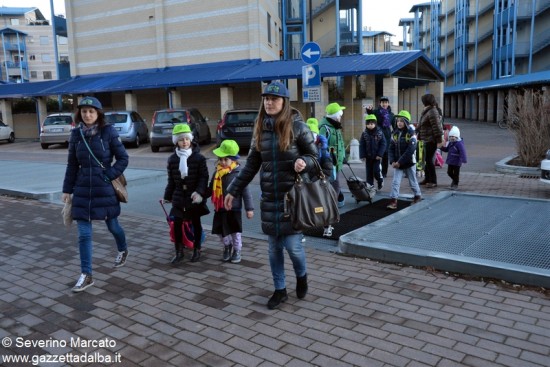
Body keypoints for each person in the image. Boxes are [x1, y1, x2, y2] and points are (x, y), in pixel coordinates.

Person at [224, 81, 318, 310]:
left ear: (284, 102)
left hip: (293, 200)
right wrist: (233, 189)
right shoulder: (260, 129)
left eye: (274, 99)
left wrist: (303, 162)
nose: (269, 102)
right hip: (270, 200)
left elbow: (318, 160)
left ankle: (302, 276)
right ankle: (280, 290)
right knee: (274, 249)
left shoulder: (298, 127)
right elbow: (250, 167)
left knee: (294, 248)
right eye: (266, 98)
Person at [62, 96, 129, 293]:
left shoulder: (108, 132)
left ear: (98, 113)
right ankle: (87, 274)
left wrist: (109, 175)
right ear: (79, 114)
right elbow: (72, 164)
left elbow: (123, 158)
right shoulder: (76, 134)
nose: (88, 115)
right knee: (84, 234)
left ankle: (123, 248)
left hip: (104, 188)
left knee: (113, 226)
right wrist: (67, 189)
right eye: (84, 111)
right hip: (82, 189)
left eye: (91, 111)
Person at [163, 123, 209, 263]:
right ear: (176, 141)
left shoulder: (199, 158)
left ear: (191, 140)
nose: (185, 142)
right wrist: (167, 195)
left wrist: (200, 192)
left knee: (196, 222)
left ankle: (197, 248)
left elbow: (203, 177)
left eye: (187, 139)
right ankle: (179, 251)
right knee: (177, 223)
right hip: (179, 195)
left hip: (194, 195)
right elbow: (171, 179)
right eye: (181, 139)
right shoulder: (172, 159)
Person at [209, 139, 254, 263]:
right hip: (219, 208)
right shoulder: (217, 173)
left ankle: (237, 250)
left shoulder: (239, 174)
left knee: (235, 231)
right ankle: (227, 246)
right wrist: (199, 196)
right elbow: (210, 188)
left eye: (226, 159)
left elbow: (246, 192)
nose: (222, 162)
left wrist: (249, 209)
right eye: (220, 159)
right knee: (220, 231)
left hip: (234, 208)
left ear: (233, 160)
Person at [305, 117, 335, 238]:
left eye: (313, 134)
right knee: (308, 205)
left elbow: (328, 169)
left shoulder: (323, 150)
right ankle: (307, 225)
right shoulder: (303, 148)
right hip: (309, 183)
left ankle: (327, 225)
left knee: (324, 205)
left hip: (320, 183)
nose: (311, 138)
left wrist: (319, 179)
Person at [387, 110, 422, 209]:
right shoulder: (395, 133)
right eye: (398, 120)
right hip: (398, 163)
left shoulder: (411, 134)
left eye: (401, 121)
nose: (399, 123)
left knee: (412, 181)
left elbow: (410, 150)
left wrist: (399, 162)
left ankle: (417, 196)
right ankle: (393, 201)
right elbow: (391, 148)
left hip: (409, 162)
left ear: (406, 122)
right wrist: (392, 161)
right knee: (395, 182)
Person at [319, 102, 346, 208]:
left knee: (334, 183)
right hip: (330, 162)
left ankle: (334, 203)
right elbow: (320, 145)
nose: (340, 117)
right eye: (339, 115)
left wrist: (343, 156)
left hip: (337, 162)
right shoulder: (325, 128)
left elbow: (341, 143)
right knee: (334, 184)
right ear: (334, 116)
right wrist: (329, 156)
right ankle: (330, 207)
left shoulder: (336, 126)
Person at [416, 93, 444, 188]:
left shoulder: (432, 111)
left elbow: (436, 127)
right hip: (425, 139)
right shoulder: (427, 111)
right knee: (426, 160)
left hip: (431, 140)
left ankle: (433, 180)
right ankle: (427, 178)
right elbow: (422, 124)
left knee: (429, 160)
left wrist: (439, 140)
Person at [366, 96, 394, 178]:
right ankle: (376, 170)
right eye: (382, 102)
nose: (384, 104)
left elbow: (395, 125)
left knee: (385, 155)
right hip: (377, 135)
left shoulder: (391, 114)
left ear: (388, 103)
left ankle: (384, 172)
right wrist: (369, 110)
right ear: (380, 103)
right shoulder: (375, 112)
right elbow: (370, 115)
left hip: (387, 136)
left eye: (386, 102)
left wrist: (394, 134)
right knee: (376, 153)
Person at [359, 114, 387, 190]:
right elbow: (362, 144)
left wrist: (380, 154)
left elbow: (383, 144)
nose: (370, 125)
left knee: (376, 171)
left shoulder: (380, 133)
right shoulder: (364, 133)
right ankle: (370, 185)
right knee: (369, 172)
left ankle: (380, 180)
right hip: (368, 157)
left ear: (375, 124)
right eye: (368, 124)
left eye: (372, 124)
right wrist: (362, 155)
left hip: (377, 157)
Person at [440, 126, 467, 190]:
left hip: (457, 162)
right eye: (450, 136)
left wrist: (464, 159)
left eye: (453, 137)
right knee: (449, 172)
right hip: (451, 161)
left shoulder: (459, 144)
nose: (452, 138)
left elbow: (463, 152)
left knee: (456, 173)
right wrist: (441, 148)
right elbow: (447, 149)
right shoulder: (451, 143)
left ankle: (455, 183)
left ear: (457, 137)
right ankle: (455, 180)